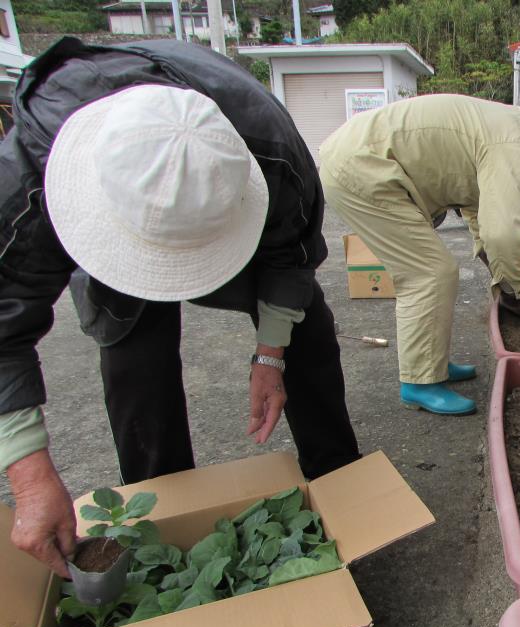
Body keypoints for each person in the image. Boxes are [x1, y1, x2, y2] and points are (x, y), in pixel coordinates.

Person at [0, 38, 360, 578]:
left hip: (233, 201)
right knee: (133, 359)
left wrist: (270, 355)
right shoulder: (32, 172)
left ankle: (344, 490)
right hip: (108, 220)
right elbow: (4, 325)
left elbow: (292, 257)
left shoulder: (275, 152)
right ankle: (164, 520)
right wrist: (28, 475)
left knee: (306, 324)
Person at [320, 94, 520, 416]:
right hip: (361, 170)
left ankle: (431, 363)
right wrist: (514, 290)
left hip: (361, 162)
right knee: (429, 273)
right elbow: (503, 231)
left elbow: (478, 206)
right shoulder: (514, 143)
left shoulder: (506, 129)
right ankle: (419, 383)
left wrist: (492, 262)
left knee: (435, 270)